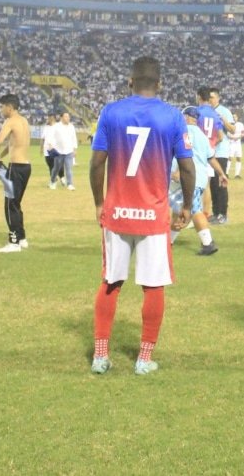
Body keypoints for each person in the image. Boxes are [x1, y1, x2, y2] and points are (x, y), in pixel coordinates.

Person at [89, 56, 196, 375]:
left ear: (130, 81)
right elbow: (187, 167)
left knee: (111, 282)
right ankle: (144, 358)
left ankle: (100, 356)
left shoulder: (111, 112)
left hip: (118, 213)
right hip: (153, 216)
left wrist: (99, 202)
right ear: (159, 84)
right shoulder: (173, 117)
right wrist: (187, 206)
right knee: (153, 286)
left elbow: (97, 163)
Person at [0, 93, 32, 252]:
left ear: (9, 107)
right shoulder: (23, 121)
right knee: (16, 203)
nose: (0, 110)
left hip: (16, 167)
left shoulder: (10, 121)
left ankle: (13, 242)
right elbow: (13, 145)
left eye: (1, 107)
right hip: (26, 166)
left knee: (10, 204)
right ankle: (22, 238)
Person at [175, 106, 224, 255]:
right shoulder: (203, 136)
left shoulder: (184, 132)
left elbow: (181, 153)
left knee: (194, 210)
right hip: (201, 178)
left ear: (187, 117)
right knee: (178, 209)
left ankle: (208, 243)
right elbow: (211, 157)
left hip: (189, 177)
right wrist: (221, 173)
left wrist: (174, 171)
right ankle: (168, 242)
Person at [208, 88, 236, 223]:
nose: (211, 100)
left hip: (221, 151)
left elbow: (232, 129)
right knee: (212, 184)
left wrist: (223, 120)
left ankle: (223, 214)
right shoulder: (207, 111)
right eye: (209, 97)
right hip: (210, 152)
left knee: (221, 182)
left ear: (218, 98)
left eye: (213, 97)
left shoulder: (224, 111)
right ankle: (215, 212)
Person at [53, 111, 79, 190]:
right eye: (66, 116)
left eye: (68, 116)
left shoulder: (71, 126)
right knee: (56, 168)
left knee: (69, 168)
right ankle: (53, 181)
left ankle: (70, 184)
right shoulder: (56, 126)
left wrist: (74, 149)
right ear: (61, 117)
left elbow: (74, 138)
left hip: (69, 151)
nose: (68, 118)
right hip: (58, 152)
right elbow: (52, 137)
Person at [41, 114, 59, 187]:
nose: (49, 119)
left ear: (54, 119)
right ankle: (54, 178)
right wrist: (41, 148)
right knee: (50, 165)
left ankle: (53, 181)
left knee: (53, 165)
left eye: (50, 118)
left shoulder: (58, 127)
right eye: (48, 118)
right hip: (46, 149)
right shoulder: (46, 127)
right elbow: (43, 138)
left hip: (55, 149)